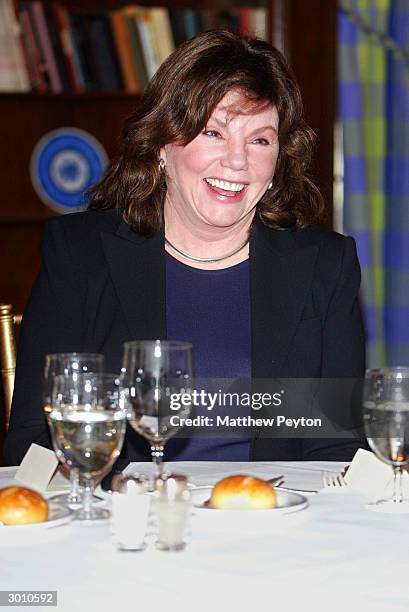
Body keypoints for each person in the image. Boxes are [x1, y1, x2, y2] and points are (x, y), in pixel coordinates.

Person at [4, 30, 365, 466]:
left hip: (270, 520)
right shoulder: (81, 253)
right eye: (213, 133)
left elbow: (336, 447)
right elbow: (36, 441)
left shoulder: (326, 265)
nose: (237, 161)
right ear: (162, 144)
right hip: (125, 522)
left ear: (278, 160)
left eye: (260, 140)